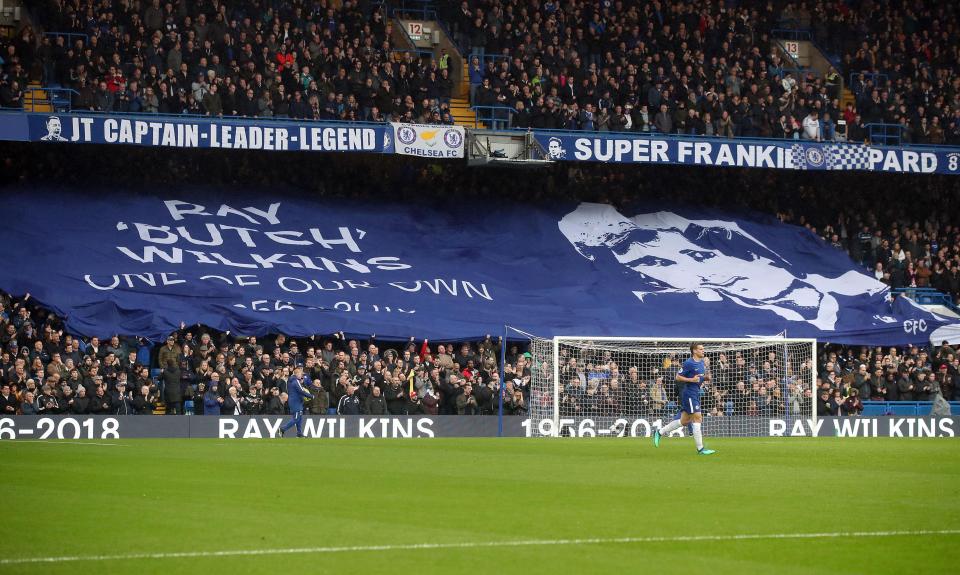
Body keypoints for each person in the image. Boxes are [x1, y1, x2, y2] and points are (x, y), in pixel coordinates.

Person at [653, 343, 716, 455]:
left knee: (684, 421)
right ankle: (700, 449)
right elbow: (678, 377)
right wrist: (691, 380)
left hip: (695, 393)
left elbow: (699, 377)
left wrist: (706, 378)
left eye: (703, 349)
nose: (703, 350)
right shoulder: (688, 363)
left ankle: (660, 432)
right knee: (697, 418)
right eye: (701, 349)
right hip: (689, 394)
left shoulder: (701, 362)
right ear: (694, 351)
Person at [278, 366, 313, 437]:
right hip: (295, 402)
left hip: (296, 401)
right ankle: (282, 429)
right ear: (296, 374)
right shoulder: (295, 381)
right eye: (301, 374)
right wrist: (311, 396)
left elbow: (299, 390)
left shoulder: (293, 380)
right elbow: (301, 391)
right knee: (296, 418)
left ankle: (299, 433)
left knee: (299, 418)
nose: (302, 376)